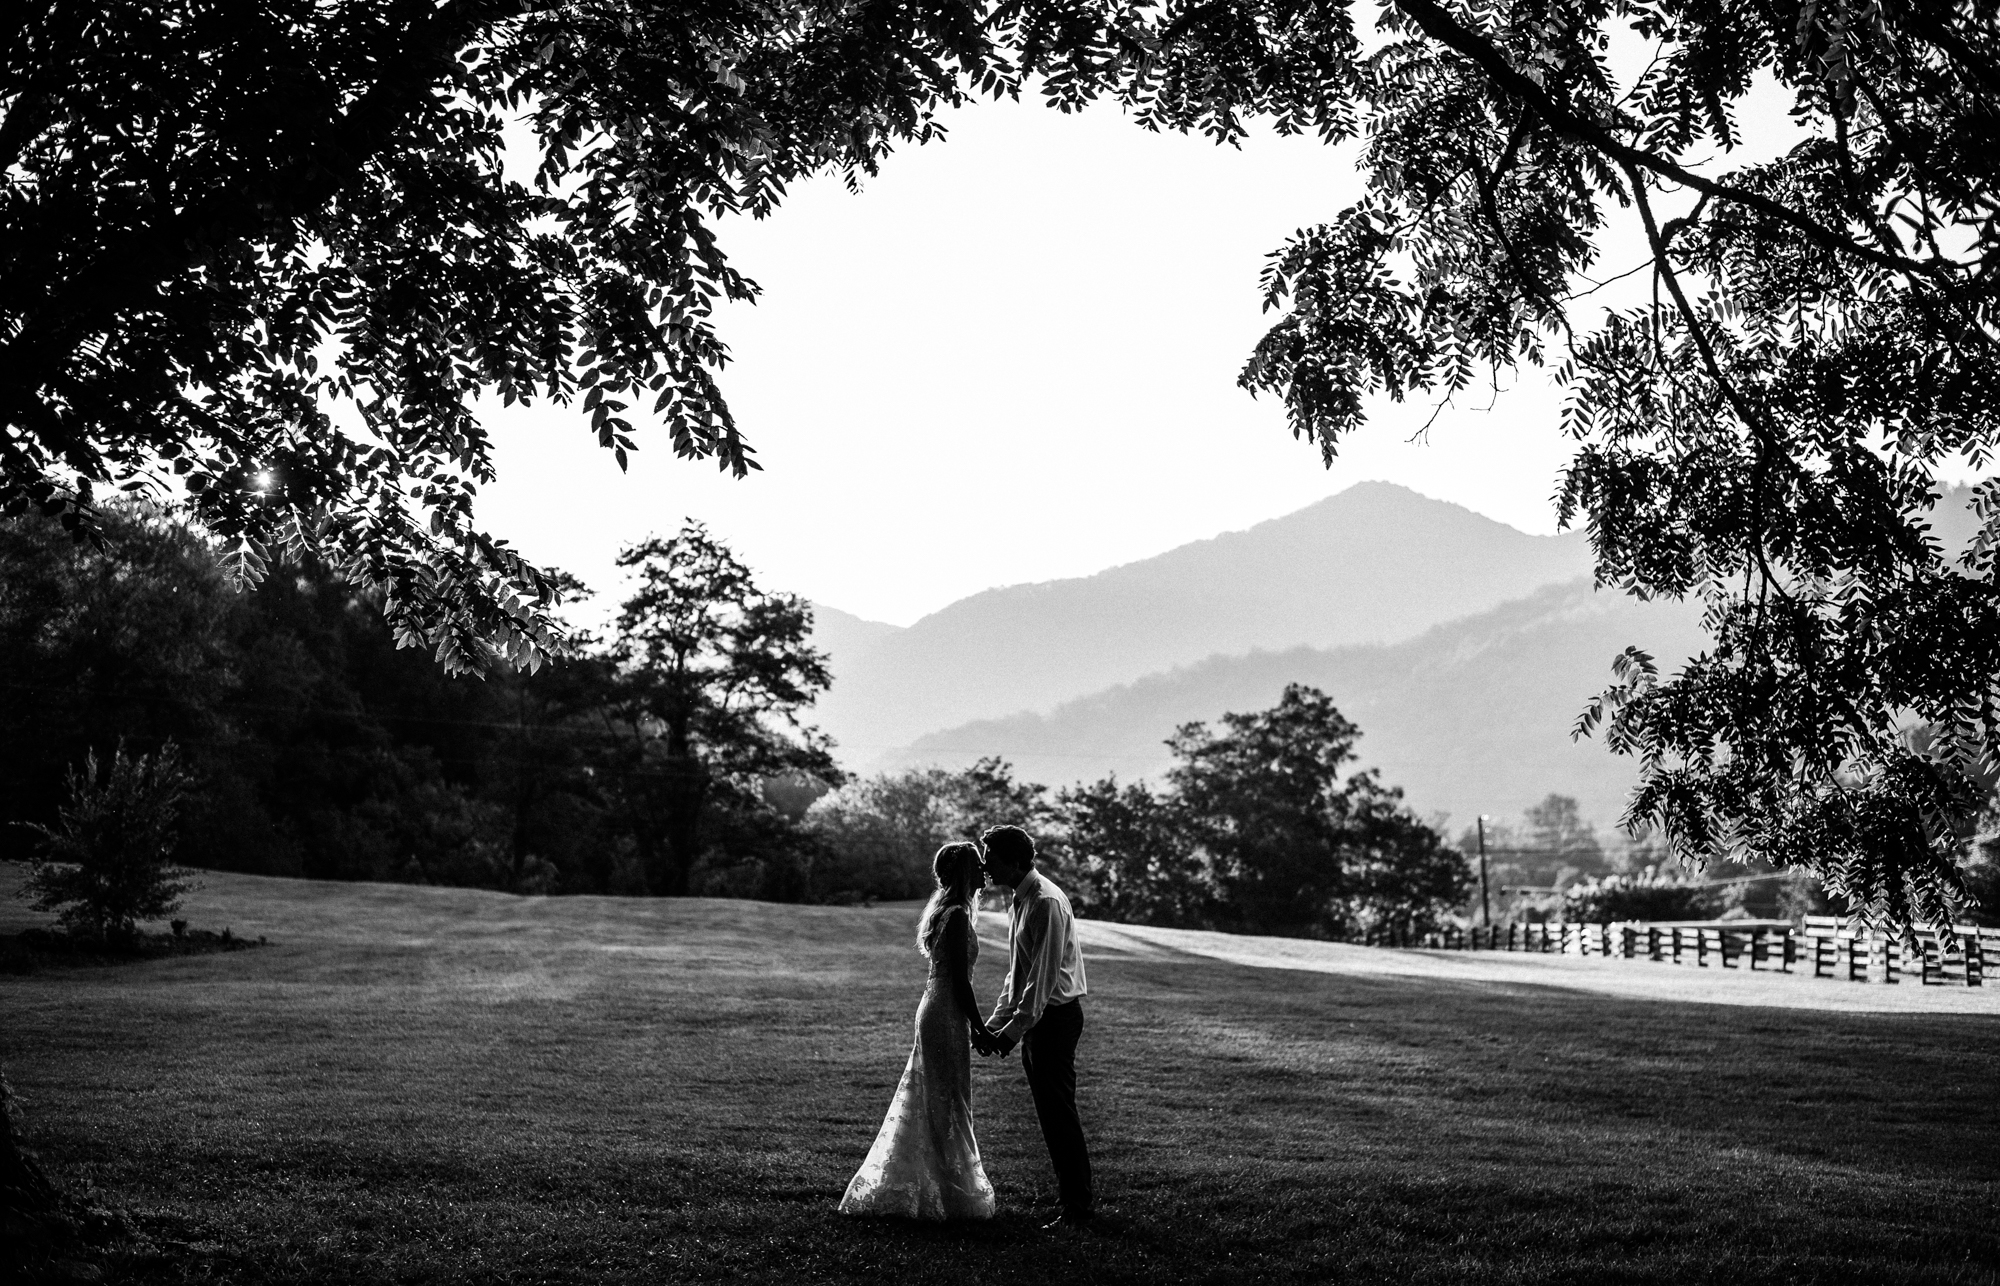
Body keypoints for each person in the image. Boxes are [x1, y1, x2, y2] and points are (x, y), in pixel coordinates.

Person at [838, 842, 998, 1220]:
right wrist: (982, 1029)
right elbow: (961, 982)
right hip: (945, 1011)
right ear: (963, 873)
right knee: (945, 1098)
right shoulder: (957, 915)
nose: (984, 872)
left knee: (938, 1095)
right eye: (978, 866)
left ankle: (938, 1185)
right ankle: (949, 1192)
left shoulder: (948, 910)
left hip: (938, 1008)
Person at [977, 823, 1093, 1229]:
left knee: (1058, 1114)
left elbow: (1041, 984)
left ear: (1011, 860)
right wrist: (993, 1024)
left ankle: (1078, 1207)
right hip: (1041, 1020)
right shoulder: (1020, 899)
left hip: (1055, 1020)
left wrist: (1006, 1037)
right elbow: (1018, 975)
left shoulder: (1044, 902)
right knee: (1051, 1113)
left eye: (989, 856)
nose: (984, 864)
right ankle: (1074, 1202)